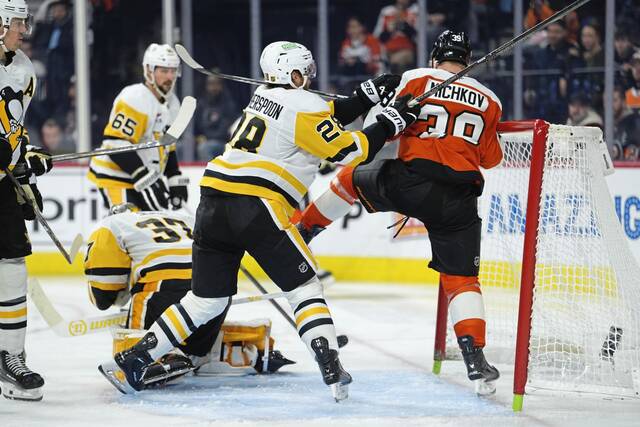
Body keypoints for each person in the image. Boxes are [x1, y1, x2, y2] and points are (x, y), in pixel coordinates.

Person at [99, 40, 416, 401]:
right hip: (256, 205)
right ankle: (331, 367)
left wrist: (364, 97)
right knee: (304, 288)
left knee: (206, 301)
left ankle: (136, 358)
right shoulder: (303, 105)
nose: (310, 78)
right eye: (305, 72)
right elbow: (349, 150)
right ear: (293, 74)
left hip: (212, 203)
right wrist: (388, 123)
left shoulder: (263, 97)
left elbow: (323, 113)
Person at [297, 31, 503, 395]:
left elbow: (386, 131)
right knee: (462, 280)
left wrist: (375, 95)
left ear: (435, 57)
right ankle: (475, 358)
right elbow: (491, 158)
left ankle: (303, 231)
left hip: (410, 181)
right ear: (468, 61)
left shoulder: (418, 78)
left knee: (350, 179)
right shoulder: (491, 100)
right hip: (458, 200)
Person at [85, 204, 294, 388]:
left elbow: (103, 293)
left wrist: (123, 293)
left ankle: (163, 358)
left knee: (128, 352)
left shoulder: (111, 223)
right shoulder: (182, 218)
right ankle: (247, 346)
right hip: (215, 292)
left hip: (162, 288)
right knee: (194, 345)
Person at [0, 0, 53, 401]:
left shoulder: (23, 69)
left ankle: (10, 357)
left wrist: (25, 157)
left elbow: (12, 128)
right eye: (18, 21)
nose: (24, 28)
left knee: (13, 262)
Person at [88, 43, 188, 212]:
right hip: (116, 177)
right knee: (128, 227)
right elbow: (115, 145)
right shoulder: (135, 97)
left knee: (155, 230)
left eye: (173, 71)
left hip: (144, 179)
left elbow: (168, 147)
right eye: (164, 71)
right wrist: (144, 177)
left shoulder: (173, 105)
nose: (170, 77)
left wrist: (174, 178)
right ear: (149, 71)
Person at [194, 74, 238, 161]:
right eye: (210, 84)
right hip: (204, 140)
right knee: (180, 147)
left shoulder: (228, 104)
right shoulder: (202, 104)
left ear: (221, 86)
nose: (213, 87)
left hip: (223, 143)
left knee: (204, 148)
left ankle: (209, 172)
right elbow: (195, 127)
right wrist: (197, 137)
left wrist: (206, 137)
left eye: (216, 84)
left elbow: (225, 131)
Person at [610, 86, 640, 161]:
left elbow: (633, 154)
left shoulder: (634, 122)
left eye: (614, 100)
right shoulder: (607, 123)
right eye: (606, 101)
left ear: (623, 101)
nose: (610, 105)